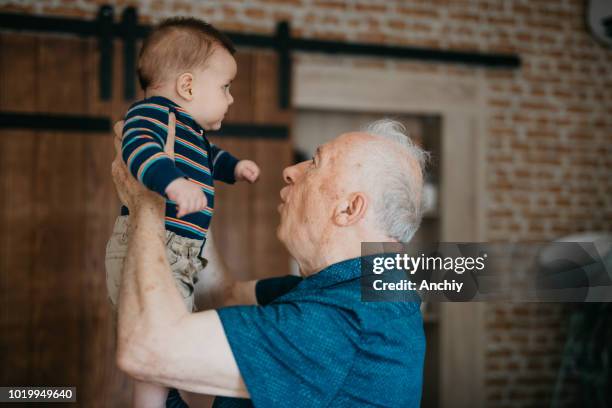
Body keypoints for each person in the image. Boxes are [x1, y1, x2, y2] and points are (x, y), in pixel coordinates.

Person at [111, 116, 428, 407]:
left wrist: (147, 203)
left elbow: (145, 348)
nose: (291, 171)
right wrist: (187, 197)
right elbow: (223, 296)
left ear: (349, 209)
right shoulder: (345, 289)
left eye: (315, 163)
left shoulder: (347, 319)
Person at [104, 17, 260, 408]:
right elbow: (136, 148)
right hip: (155, 246)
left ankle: (161, 398)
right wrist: (171, 184)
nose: (231, 98)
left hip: (178, 251)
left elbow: (212, 158)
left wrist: (235, 168)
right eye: (225, 87)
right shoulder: (152, 114)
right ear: (187, 85)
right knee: (159, 340)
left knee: (166, 339)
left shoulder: (191, 132)